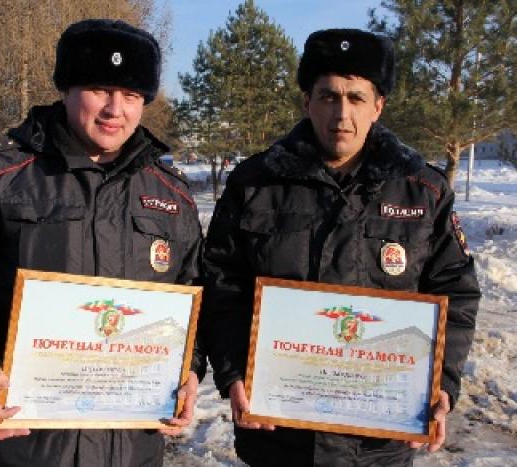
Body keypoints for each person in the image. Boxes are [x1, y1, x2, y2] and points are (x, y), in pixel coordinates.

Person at [0, 19, 204, 467]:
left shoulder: (170, 192)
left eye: (131, 95)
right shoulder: (0, 171)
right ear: (67, 89)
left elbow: (193, 293)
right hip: (17, 445)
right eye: (99, 89)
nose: (115, 109)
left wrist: (188, 368)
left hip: (129, 448)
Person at [201, 28, 480, 466]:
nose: (341, 114)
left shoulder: (423, 191)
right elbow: (223, 283)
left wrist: (440, 383)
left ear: (378, 106)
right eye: (328, 97)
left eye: (356, 98)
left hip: (377, 444)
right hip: (279, 437)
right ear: (307, 102)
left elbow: (454, 290)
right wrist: (235, 368)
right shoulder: (255, 184)